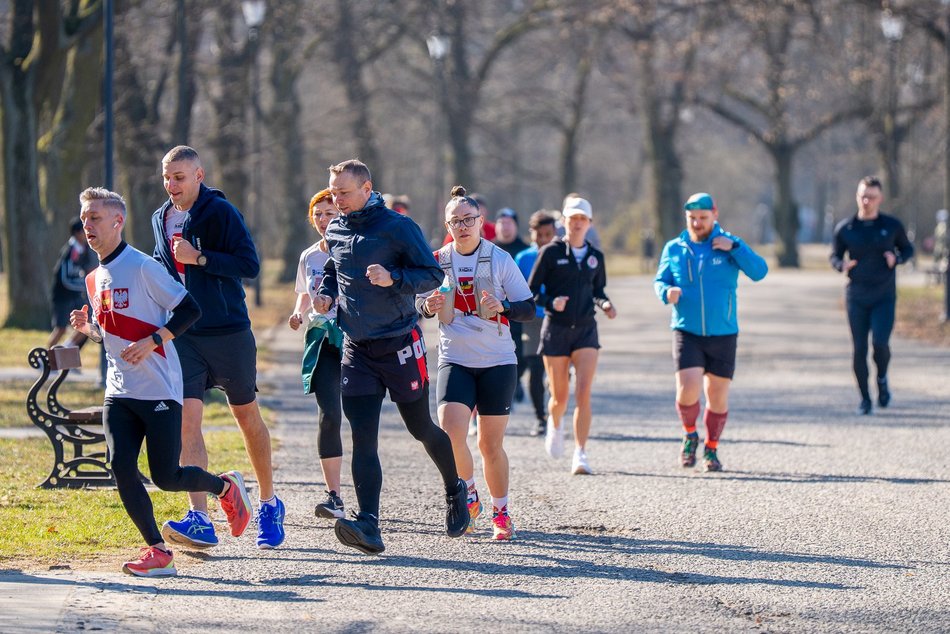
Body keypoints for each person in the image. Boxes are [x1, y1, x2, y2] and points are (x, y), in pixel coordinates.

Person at [68, 187, 252, 577]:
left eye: (95, 218)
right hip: (120, 390)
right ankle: (157, 550)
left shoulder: (143, 267)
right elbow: (111, 329)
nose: (88, 225)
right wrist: (92, 331)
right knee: (120, 465)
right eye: (85, 218)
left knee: (166, 476)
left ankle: (224, 488)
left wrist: (154, 341)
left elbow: (190, 309)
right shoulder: (93, 277)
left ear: (118, 222)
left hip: (159, 389)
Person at [312, 159, 469, 554]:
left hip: (399, 344)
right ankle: (370, 525)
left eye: (344, 193)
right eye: (333, 193)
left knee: (421, 429)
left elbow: (432, 275)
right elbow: (335, 269)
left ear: (367, 189)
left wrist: (394, 279)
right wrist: (327, 292)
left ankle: (456, 489)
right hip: (356, 349)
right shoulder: (336, 227)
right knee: (363, 438)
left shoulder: (398, 228)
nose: (337, 200)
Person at [151, 145, 285, 550]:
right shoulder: (159, 218)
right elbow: (162, 266)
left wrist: (200, 258)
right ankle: (200, 517)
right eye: (166, 177)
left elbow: (249, 265)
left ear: (199, 175)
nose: (171, 184)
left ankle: (267, 502)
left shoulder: (221, 212)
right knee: (187, 421)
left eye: (179, 177)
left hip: (227, 331)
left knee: (245, 416)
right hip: (185, 334)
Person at [417, 186, 535, 541]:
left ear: (481, 221)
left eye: (469, 220)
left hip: (497, 360)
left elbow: (528, 308)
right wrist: (428, 307)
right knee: (450, 430)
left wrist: (505, 309)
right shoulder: (437, 261)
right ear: (447, 224)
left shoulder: (499, 259)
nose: (463, 226)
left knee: (488, 444)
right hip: (455, 357)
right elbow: (418, 306)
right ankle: (468, 493)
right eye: (456, 221)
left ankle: (501, 512)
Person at [654, 192, 768, 472]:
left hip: (723, 332)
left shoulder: (728, 245)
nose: (697, 223)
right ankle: (690, 434)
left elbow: (759, 271)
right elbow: (660, 279)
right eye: (692, 218)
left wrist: (736, 247)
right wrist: (666, 292)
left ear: (714, 215)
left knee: (717, 394)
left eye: (703, 218)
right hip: (687, 330)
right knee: (687, 389)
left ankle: (712, 449)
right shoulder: (675, 248)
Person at [528, 196, 616, 475]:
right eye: (572, 218)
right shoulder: (551, 253)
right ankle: (555, 423)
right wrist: (550, 302)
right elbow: (530, 292)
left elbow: (598, 291)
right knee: (560, 396)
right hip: (556, 329)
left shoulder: (595, 257)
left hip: (586, 330)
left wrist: (605, 304)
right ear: (563, 222)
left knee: (584, 393)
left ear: (589, 223)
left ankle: (580, 453)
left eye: (582, 219)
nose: (577, 224)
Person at [830, 176, 914, 415]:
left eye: (872, 197)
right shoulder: (846, 228)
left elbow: (908, 249)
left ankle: (883, 379)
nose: (867, 201)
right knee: (859, 349)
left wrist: (896, 259)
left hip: (883, 296)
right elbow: (834, 255)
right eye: (863, 196)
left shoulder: (891, 225)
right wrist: (841, 265)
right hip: (856, 296)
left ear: (880, 198)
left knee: (880, 344)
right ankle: (865, 399)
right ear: (858, 196)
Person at [288, 189, 347, 520]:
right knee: (329, 415)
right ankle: (334, 495)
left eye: (330, 213)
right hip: (321, 339)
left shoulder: (353, 250)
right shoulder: (309, 256)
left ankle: (369, 499)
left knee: (359, 417)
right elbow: (303, 295)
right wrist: (298, 314)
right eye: (319, 214)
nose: (324, 220)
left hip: (354, 340)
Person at [515, 210, 558, 436]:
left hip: (557, 318)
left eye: (547, 234)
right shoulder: (523, 258)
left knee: (555, 371)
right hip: (532, 318)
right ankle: (540, 417)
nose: (542, 239)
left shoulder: (562, 254)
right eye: (538, 234)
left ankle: (555, 413)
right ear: (531, 233)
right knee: (535, 367)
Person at [493, 208, 530, 403]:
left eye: (509, 223)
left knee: (522, 355)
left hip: (518, 311)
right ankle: (508, 386)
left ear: (516, 226)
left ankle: (516, 380)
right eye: (502, 223)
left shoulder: (525, 250)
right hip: (493, 312)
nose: (505, 228)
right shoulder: (488, 250)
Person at [48, 218, 98, 349]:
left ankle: (65, 351)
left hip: (75, 295)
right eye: (84, 231)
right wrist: (84, 285)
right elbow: (64, 278)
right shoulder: (69, 251)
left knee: (86, 324)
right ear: (76, 233)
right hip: (62, 295)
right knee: (61, 329)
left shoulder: (85, 250)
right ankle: (47, 358)